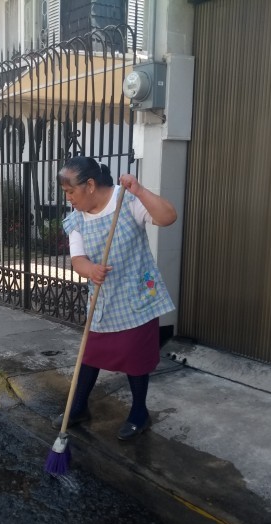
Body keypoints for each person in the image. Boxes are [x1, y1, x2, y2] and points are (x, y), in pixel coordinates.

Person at [52, 156, 177, 441]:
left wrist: (140, 191)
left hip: (136, 296)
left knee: (135, 358)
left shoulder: (126, 202)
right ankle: (78, 407)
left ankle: (139, 412)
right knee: (91, 353)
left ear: (91, 185)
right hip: (104, 298)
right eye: (66, 193)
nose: (69, 198)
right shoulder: (77, 220)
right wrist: (91, 271)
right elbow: (78, 260)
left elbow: (168, 217)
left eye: (71, 191)